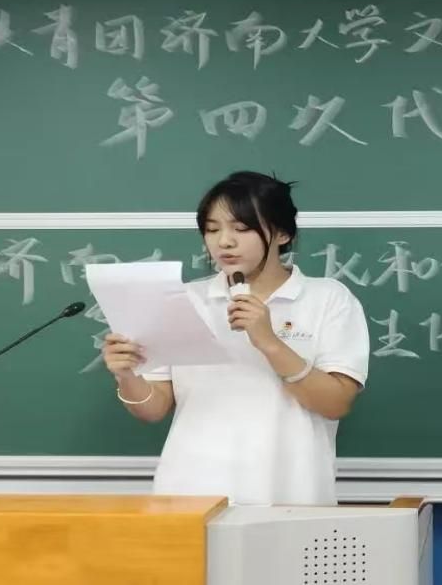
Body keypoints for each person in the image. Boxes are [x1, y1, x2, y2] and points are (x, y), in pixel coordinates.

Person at [100, 171, 369, 505]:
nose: (224, 242)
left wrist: (269, 343)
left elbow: (335, 403)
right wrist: (126, 375)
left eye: (241, 228)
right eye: (212, 229)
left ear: (282, 233)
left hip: (291, 494)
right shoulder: (183, 300)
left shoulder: (327, 298)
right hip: (191, 493)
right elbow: (153, 409)